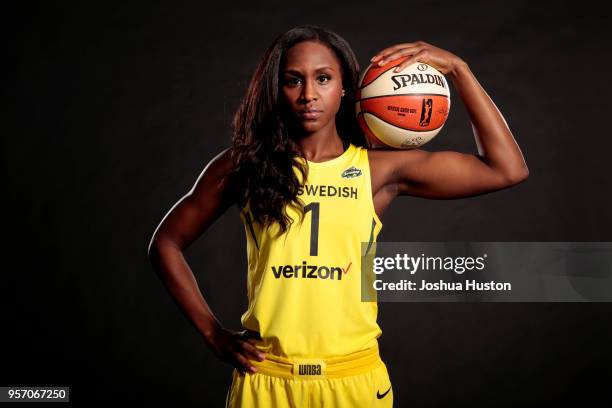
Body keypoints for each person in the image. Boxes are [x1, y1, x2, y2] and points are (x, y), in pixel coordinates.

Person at [147, 25, 528, 408]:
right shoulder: (245, 165)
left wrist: (460, 71)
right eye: (293, 80)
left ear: (345, 87)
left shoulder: (379, 171)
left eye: (323, 79)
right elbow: (165, 243)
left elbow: (506, 168)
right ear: (276, 90)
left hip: (353, 381)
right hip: (268, 380)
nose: (309, 94)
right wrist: (213, 334)